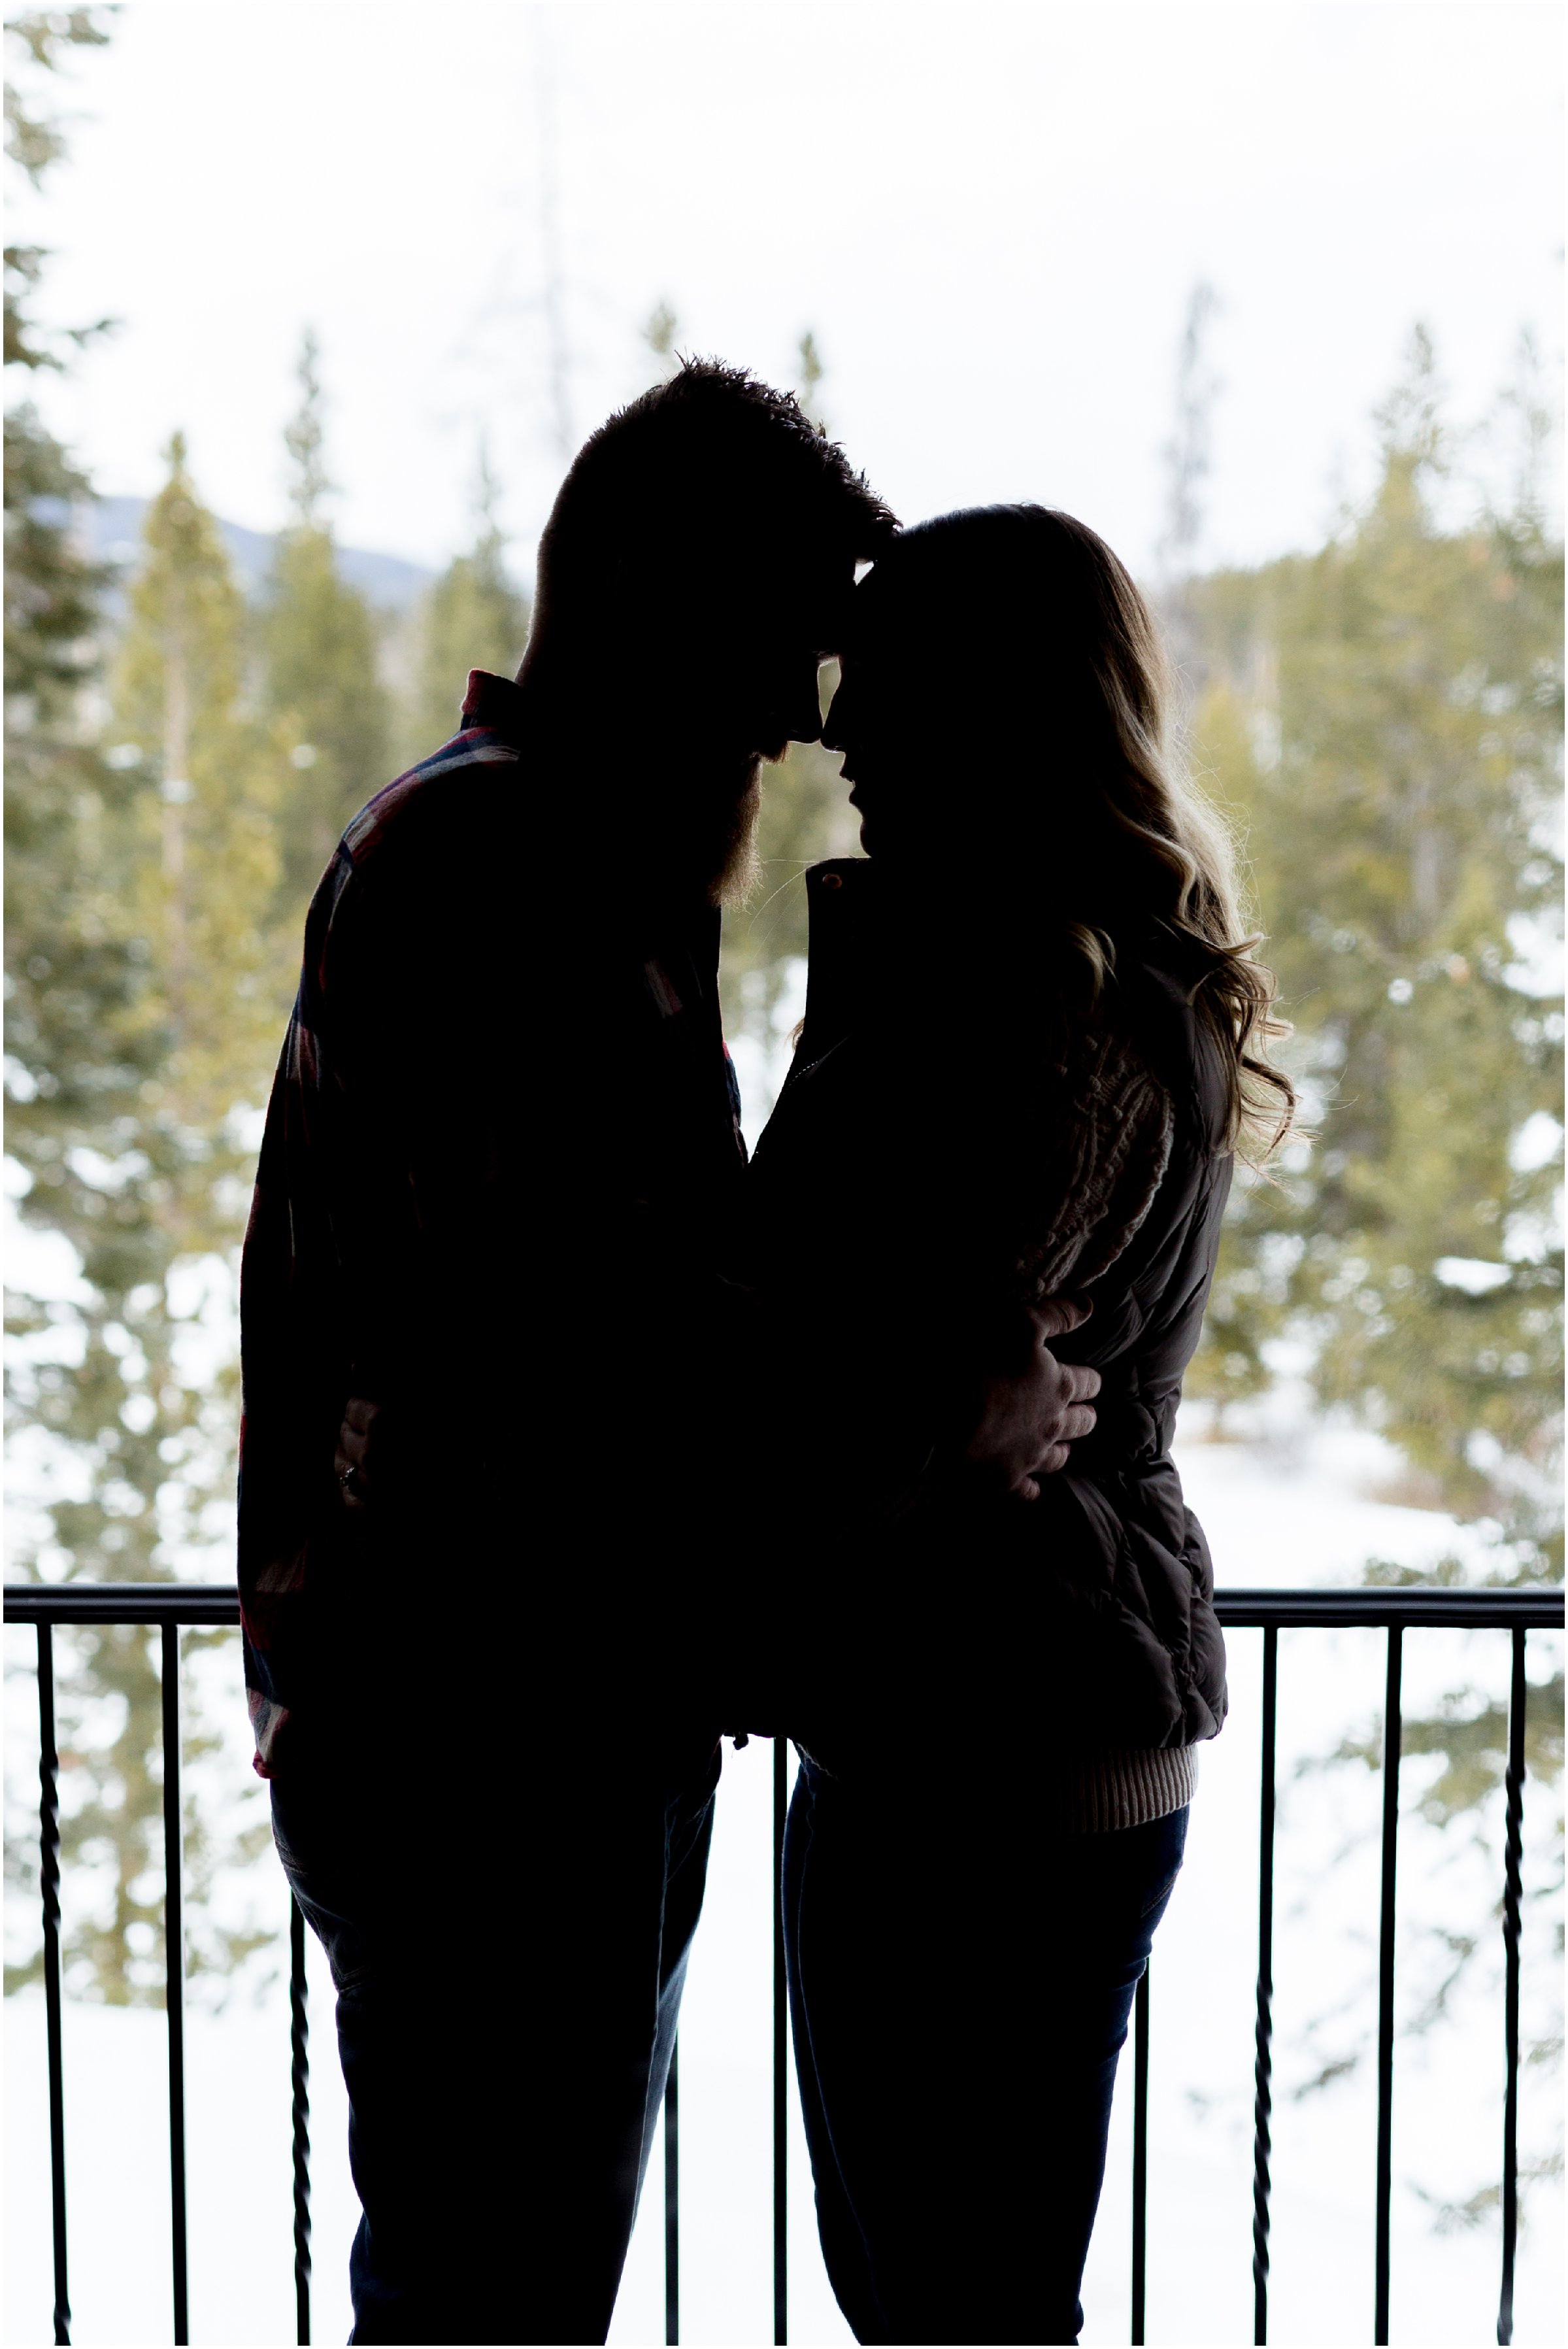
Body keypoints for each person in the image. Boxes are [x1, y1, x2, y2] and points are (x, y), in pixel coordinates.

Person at [237, 371, 1101, 2345]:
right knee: (491, 2295)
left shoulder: (535, 862)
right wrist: (957, 1414)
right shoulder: (513, 878)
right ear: (637, 592)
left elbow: (608, 1338)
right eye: (775, 652)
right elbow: (619, 1364)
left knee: (490, 2277)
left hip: (510, 1714)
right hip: (489, 1744)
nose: (804, 723)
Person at [744, 505, 1294, 2346]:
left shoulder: (1038, 1023)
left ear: (996, 709)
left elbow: (815, 1352)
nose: (839, 734)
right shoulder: (1065, 978)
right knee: (960, 2286)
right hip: (1018, 1729)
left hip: (984, 1753)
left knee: (950, 2299)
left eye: (882, 689)